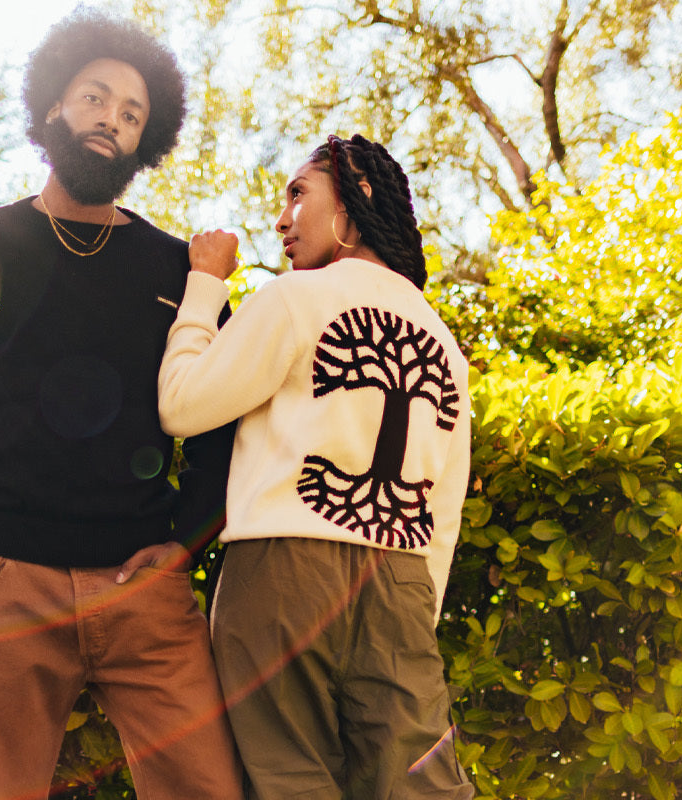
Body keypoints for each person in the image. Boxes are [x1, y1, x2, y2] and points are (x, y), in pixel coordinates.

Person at [0, 9, 244, 800]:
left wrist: (188, 540)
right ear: (54, 105)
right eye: (96, 98)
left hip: (145, 584)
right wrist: (12, 525)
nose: (111, 121)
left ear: (143, 144)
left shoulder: (175, 271)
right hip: (7, 582)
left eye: (132, 115)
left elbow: (226, 420)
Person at [157, 134, 475, 799]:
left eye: (298, 193)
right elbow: (443, 507)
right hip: (402, 579)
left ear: (352, 207)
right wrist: (416, 611)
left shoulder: (292, 300)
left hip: (281, 571)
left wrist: (204, 287)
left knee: (288, 778)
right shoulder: (442, 342)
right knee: (420, 786)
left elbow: (183, 406)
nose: (281, 219)